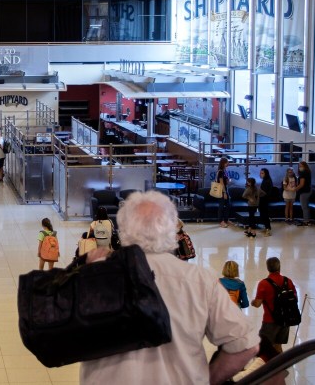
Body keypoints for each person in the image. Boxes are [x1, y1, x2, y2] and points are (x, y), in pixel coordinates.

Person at [79, 191, 259, 384]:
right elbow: (246, 345)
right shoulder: (200, 280)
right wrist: (209, 379)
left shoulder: (95, 276)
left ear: (123, 231)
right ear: (171, 229)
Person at [252, 257, 297, 354]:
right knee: (278, 345)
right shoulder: (287, 281)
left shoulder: (264, 283)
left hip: (270, 321)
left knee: (263, 347)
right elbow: (295, 298)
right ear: (279, 266)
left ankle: (265, 368)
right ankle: (281, 366)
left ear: (267, 268)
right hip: (285, 320)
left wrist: (253, 302)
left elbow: (257, 304)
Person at [295, 160, 312, 224]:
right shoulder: (308, 172)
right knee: (306, 206)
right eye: (299, 166)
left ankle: (306, 221)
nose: (300, 167)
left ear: (305, 166)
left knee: (304, 207)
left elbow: (301, 185)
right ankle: (308, 219)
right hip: (308, 190)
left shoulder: (303, 174)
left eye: (301, 166)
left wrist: (295, 189)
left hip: (304, 192)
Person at [216, 157, 231, 228]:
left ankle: (226, 219)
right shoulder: (221, 171)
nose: (228, 163)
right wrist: (224, 192)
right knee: (221, 206)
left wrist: (228, 180)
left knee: (228, 205)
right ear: (223, 163)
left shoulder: (225, 170)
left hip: (225, 189)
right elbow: (221, 183)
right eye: (227, 162)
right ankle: (221, 221)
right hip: (222, 190)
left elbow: (225, 181)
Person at [258, 169, 273, 236]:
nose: (260, 174)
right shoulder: (265, 180)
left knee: (265, 214)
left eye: (262, 173)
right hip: (262, 199)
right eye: (260, 173)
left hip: (265, 199)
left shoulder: (267, 181)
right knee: (262, 213)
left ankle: (268, 228)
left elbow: (265, 192)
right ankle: (266, 227)